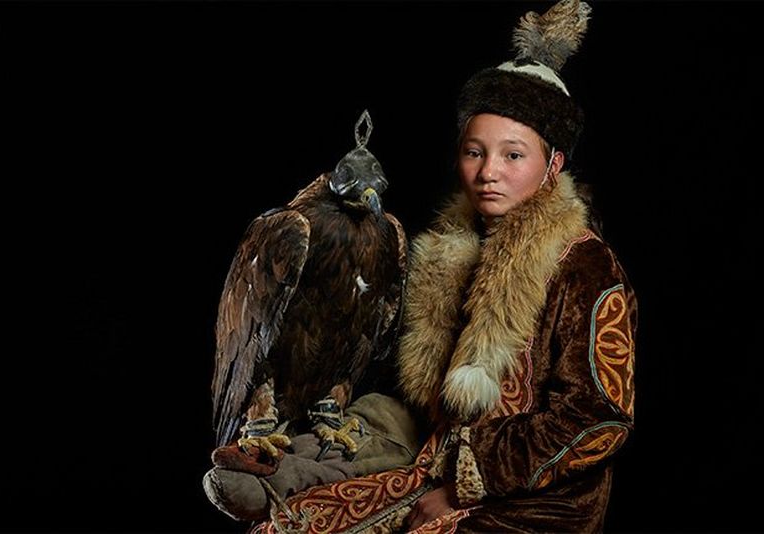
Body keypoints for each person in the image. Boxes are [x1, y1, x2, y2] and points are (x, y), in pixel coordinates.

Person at [219, 0, 637, 531]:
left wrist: (466, 480)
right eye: (474, 152)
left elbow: (600, 419)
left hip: (536, 501)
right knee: (288, 523)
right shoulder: (449, 248)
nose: (488, 172)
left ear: (553, 164)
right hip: (432, 460)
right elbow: (424, 400)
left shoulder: (587, 268)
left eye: (513, 155)